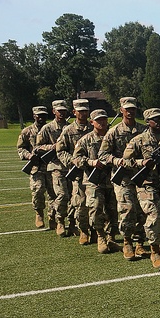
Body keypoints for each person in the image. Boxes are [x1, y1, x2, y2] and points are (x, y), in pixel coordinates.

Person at [123, 107, 160, 270]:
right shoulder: (139, 140)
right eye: (155, 119)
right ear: (147, 121)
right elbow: (125, 161)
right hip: (147, 185)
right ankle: (154, 252)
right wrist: (142, 163)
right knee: (154, 217)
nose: (159, 122)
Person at [99, 97, 146, 261]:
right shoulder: (113, 132)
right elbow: (103, 155)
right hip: (123, 177)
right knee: (127, 209)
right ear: (121, 110)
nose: (130, 112)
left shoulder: (143, 130)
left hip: (141, 176)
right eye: (127, 109)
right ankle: (127, 242)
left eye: (133, 109)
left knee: (143, 210)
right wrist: (117, 161)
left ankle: (140, 242)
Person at [73, 109, 120, 254]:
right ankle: (100, 236)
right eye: (98, 120)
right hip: (94, 181)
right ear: (92, 122)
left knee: (113, 210)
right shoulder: (86, 140)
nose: (102, 122)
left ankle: (111, 237)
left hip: (112, 179)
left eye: (104, 119)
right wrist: (91, 162)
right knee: (96, 208)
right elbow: (76, 159)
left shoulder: (113, 137)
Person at [57, 100, 95, 244]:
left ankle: (96, 231)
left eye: (86, 111)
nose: (83, 113)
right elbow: (60, 151)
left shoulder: (94, 127)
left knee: (97, 204)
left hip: (95, 172)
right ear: (74, 112)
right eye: (80, 111)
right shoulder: (68, 131)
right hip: (78, 173)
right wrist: (72, 161)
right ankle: (83, 230)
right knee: (81, 203)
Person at [36, 100, 72, 236]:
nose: (62, 113)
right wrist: (52, 147)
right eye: (59, 111)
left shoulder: (70, 127)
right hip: (56, 166)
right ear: (54, 112)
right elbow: (38, 147)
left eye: (63, 110)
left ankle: (72, 223)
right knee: (62, 195)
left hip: (70, 166)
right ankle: (59, 221)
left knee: (73, 197)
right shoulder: (48, 128)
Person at [17, 105, 56, 229]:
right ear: (34, 116)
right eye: (39, 115)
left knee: (54, 193)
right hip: (36, 167)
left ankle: (52, 216)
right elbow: (20, 148)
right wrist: (29, 156)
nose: (41, 118)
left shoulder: (51, 129)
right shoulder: (27, 131)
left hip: (51, 166)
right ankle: (39, 213)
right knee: (38, 191)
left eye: (44, 115)